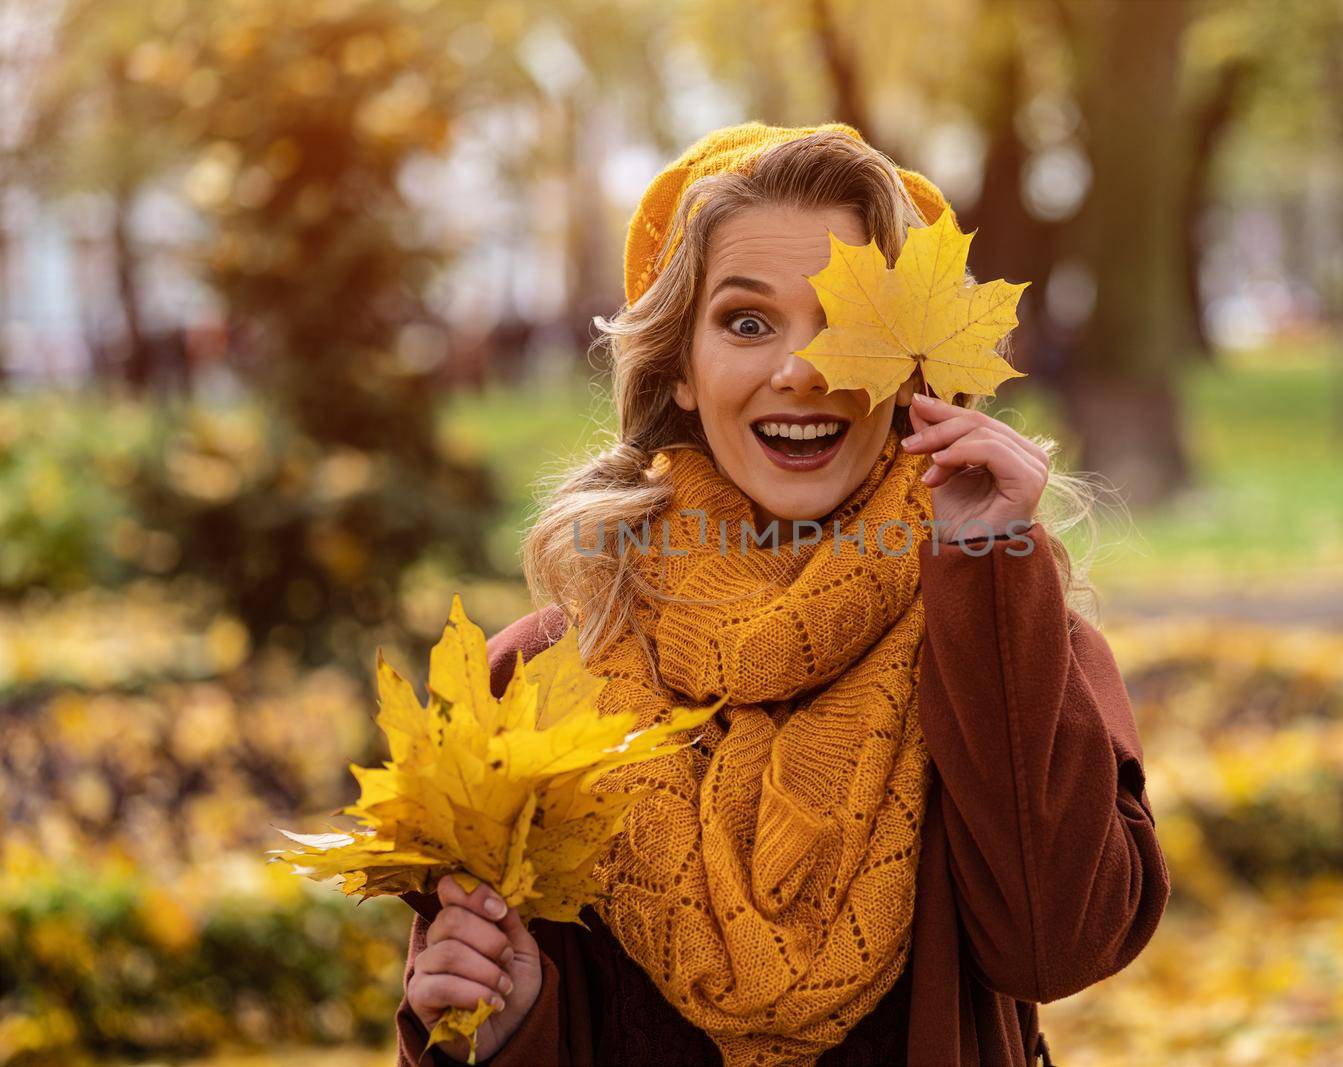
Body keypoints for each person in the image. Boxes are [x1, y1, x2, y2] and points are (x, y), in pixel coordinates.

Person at [394, 121, 1168, 1067]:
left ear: (914, 366)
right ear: (679, 365)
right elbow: (480, 1022)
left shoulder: (1005, 630)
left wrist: (988, 570)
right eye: (747, 321)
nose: (801, 369)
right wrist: (508, 1026)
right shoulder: (537, 679)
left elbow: (1058, 945)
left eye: (847, 324)